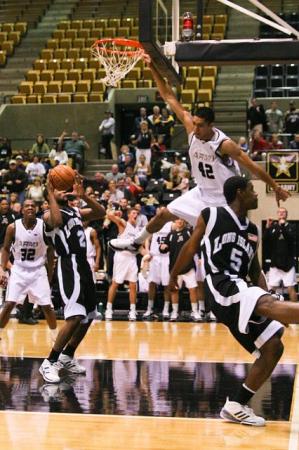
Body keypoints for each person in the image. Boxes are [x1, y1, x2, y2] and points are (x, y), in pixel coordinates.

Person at [109, 54, 290, 253]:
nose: (195, 129)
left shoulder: (224, 144)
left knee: (230, 249)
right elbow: (168, 96)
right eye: (194, 124)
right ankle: (136, 243)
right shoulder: (192, 129)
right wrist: (152, 67)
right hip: (201, 193)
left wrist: (275, 187)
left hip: (224, 200)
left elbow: (252, 166)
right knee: (162, 214)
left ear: (211, 125)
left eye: (201, 126)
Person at [169, 176, 299, 426]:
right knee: (270, 308)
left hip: (242, 289)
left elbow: (255, 270)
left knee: (273, 347)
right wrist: (174, 274)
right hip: (221, 285)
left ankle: (236, 405)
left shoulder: (252, 230)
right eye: (252, 190)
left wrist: (269, 299)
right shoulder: (212, 215)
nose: (256, 194)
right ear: (239, 193)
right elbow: (190, 246)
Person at [38, 173, 106, 383]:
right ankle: (50, 361)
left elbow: (100, 212)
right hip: (68, 265)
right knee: (75, 316)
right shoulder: (48, 216)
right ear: (50, 193)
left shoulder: (74, 210)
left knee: (89, 315)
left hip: (83, 265)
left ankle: (67, 355)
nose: (63, 190)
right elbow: (57, 220)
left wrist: (83, 195)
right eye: (59, 188)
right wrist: (50, 194)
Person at [0, 199, 57, 340]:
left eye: (33, 206)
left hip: (38, 271)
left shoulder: (44, 227)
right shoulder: (12, 227)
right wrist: (2, 269)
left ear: (36, 209)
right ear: (22, 210)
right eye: (27, 206)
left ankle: (55, 336)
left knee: (47, 306)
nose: (30, 207)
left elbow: (50, 251)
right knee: (9, 304)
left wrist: (50, 274)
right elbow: (6, 248)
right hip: (19, 270)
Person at [161, 219, 202, 322]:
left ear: (184, 222)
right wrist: (162, 247)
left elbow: (196, 244)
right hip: (175, 268)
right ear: (174, 222)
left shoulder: (188, 232)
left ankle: (195, 311)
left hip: (188, 266)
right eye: (177, 220)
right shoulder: (170, 234)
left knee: (192, 289)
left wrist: (200, 257)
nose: (179, 221)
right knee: (174, 290)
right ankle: (174, 312)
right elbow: (164, 249)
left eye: (181, 220)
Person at [105, 208, 140, 321]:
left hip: (132, 258)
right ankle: (108, 309)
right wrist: (115, 213)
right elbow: (109, 215)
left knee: (133, 285)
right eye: (133, 213)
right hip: (121, 256)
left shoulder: (138, 230)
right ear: (129, 215)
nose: (136, 215)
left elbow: (140, 248)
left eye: (137, 214)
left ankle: (133, 310)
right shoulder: (124, 223)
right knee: (115, 283)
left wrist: (148, 256)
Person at [263, 207, 297, 302]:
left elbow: (290, 239)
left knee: (290, 288)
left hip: (288, 264)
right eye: (280, 212)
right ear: (277, 214)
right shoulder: (273, 227)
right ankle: (270, 312)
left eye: (284, 212)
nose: (281, 214)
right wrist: (267, 228)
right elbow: (265, 241)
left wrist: (282, 227)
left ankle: (295, 312)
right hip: (275, 264)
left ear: (286, 214)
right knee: (271, 289)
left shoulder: (292, 227)